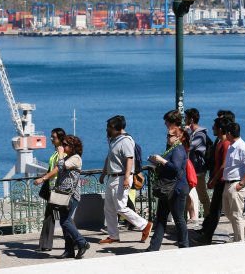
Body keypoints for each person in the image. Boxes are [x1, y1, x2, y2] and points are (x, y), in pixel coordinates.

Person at [98, 115, 152, 244]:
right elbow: (109, 158)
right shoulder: (113, 140)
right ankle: (113, 235)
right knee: (109, 208)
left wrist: (127, 178)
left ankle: (144, 225)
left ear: (117, 128)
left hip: (121, 177)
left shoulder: (126, 140)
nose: (107, 130)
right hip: (113, 177)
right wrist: (104, 174)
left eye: (109, 127)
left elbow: (130, 159)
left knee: (121, 207)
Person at [35, 135, 89, 259]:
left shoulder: (76, 158)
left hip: (71, 196)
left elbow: (60, 168)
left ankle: (82, 242)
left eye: (65, 144)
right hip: (62, 195)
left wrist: (60, 154)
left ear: (72, 147)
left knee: (65, 222)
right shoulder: (69, 157)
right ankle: (69, 250)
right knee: (65, 223)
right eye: (62, 144)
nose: (62, 146)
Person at [146, 110, 190, 251]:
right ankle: (153, 247)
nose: (167, 136)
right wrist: (156, 162)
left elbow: (175, 168)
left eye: (169, 135)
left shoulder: (178, 149)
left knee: (178, 218)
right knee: (161, 218)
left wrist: (161, 160)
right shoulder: (172, 147)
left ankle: (184, 246)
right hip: (168, 187)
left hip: (176, 188)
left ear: (176, 136)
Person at [195, 116, 232, 244]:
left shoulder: (225, 144)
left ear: (220, 129)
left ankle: (207, 236)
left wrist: (214, 180)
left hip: (221, 181)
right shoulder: (219, 143)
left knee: (217, 209)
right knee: (218, 209)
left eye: (214, 127)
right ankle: (207, 234)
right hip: (218, 181)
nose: (212, 128)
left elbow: (223, 165)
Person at [221, 122, 245, 242]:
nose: (225, 135)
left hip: (236, 184)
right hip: (228, 183)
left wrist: (241, 183)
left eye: (226, 133)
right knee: (227, 212)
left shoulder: (242, 147)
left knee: (236, 215)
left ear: (229, 133)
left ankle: (239, 241)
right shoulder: (232, 146)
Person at [35, 128, 66, 252]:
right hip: (54, 188)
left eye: (54, 137)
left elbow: (58, 168)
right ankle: (45, 244)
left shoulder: (60, 150)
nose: (51, 139)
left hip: (57, 188)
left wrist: (43, 178)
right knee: (59, 216)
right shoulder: (56, 151)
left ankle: (46, 244)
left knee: (59, 216)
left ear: (60, 138)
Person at [185, 108, 211, 219]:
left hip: (198, 170)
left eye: (186, 118)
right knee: (185, 193)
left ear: (191, 119)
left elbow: (188, 147)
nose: (184, 120)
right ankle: (191, 216)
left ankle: (208, 219)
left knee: (203, 196)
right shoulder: (193, 133)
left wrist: (186, 133)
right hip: (190, 169)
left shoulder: (200, 135)